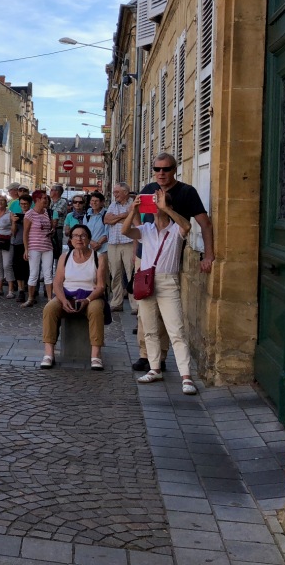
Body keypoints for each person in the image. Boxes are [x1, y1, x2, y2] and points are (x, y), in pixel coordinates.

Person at [132, 152, 216, 372]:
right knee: (145, 310)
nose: (161, 173)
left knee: (164, 311)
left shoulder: (187, 192)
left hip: (169, 257)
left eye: (166, 169)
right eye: (157, 169)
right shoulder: (148, 190)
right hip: (145, 256)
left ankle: (161, 357)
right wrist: (136, 253)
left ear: (174, 170)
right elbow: (140, 223)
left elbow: (204, 224)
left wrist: (208, 255)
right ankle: (146, 355)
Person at [121, 188, 198, 395]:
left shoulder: (175, 230)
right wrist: (133, 210)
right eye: (154, 204)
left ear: (168, 206)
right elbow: (125, 231)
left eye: (159, 203)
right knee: (150, 330)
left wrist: (166, 208)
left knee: (177, 331)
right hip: (147, 282)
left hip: (168, 283)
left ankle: (186, 376)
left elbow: (188, 225)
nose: (155, 207)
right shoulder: (146, 229)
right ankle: (155, 369)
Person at [40, 224, 108, 370]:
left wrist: (87, 300)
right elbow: (57, 283)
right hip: (67, 295)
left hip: (91, 296)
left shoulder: (99, 257)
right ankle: (48, 353)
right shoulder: (64, 257)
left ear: (89, 239)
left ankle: (96, 355)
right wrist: (63, 300)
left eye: (83, 235)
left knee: (96, 310)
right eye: (75, 236)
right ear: (70, 240)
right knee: (49, 308)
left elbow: (101, 286)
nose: (79, 239)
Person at [103, 182, 134, 313]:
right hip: (113, 243)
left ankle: (136, 304)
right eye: (114, 192)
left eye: (117, 192)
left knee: (131, 273)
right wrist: (124, 216)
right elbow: (106, 220)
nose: (115, 195)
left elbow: (133, 220)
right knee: (115, 273)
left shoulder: (133, 204)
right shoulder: (112, 204)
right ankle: (116, 302)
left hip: (129, 242)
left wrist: (115, 218)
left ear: (126, 193)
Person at [22, 190, 54, 306]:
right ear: (37, 200)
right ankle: (30, 298)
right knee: (34, 273)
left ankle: (50, 299)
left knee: (48, 273)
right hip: (34, 247)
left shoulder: (47, 212)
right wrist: (26, 249)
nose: (46, 200)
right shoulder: (29, 214)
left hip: (47, 246)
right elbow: (25, 233)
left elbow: (48, 228)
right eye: (44, 198)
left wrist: (51, 231)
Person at [0, 193, 15, 297]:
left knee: (7, 265)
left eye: (2, 201)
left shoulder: (10, 214)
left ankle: (11, 290)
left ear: (6, 203)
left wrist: (13, 222)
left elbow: (14, 231)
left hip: (7, 241)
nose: (0, 203)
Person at [9, 188, 31, 302]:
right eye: (21, 204)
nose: (23, 206)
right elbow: (13, 232)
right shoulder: (16, 215)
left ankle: (30, 290)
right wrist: (14, 221)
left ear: (30, 204)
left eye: (25, 204)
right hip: (18, 242)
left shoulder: (33, 215)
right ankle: (21, 290)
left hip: (30, 244)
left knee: (28, 268)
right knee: (17, 267)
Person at [83, 191, 109, 257]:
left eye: (96, 201)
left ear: (102, 203)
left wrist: (98, 244)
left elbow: (108, 232)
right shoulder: (87, 215)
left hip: (103, 249)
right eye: (92, 200)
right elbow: (84, 231)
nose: (94, 203)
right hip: (89, 248)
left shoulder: (107, 214)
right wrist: (91, 242)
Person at [49, 184, 69, 259]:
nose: (50, 192)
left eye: (51, 190)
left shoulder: (62, 201)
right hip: (49, 227)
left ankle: (58, 265)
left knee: (57, 248)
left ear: (56, 192)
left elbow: (57, 212)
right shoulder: (49, 201)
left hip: (58, 228)